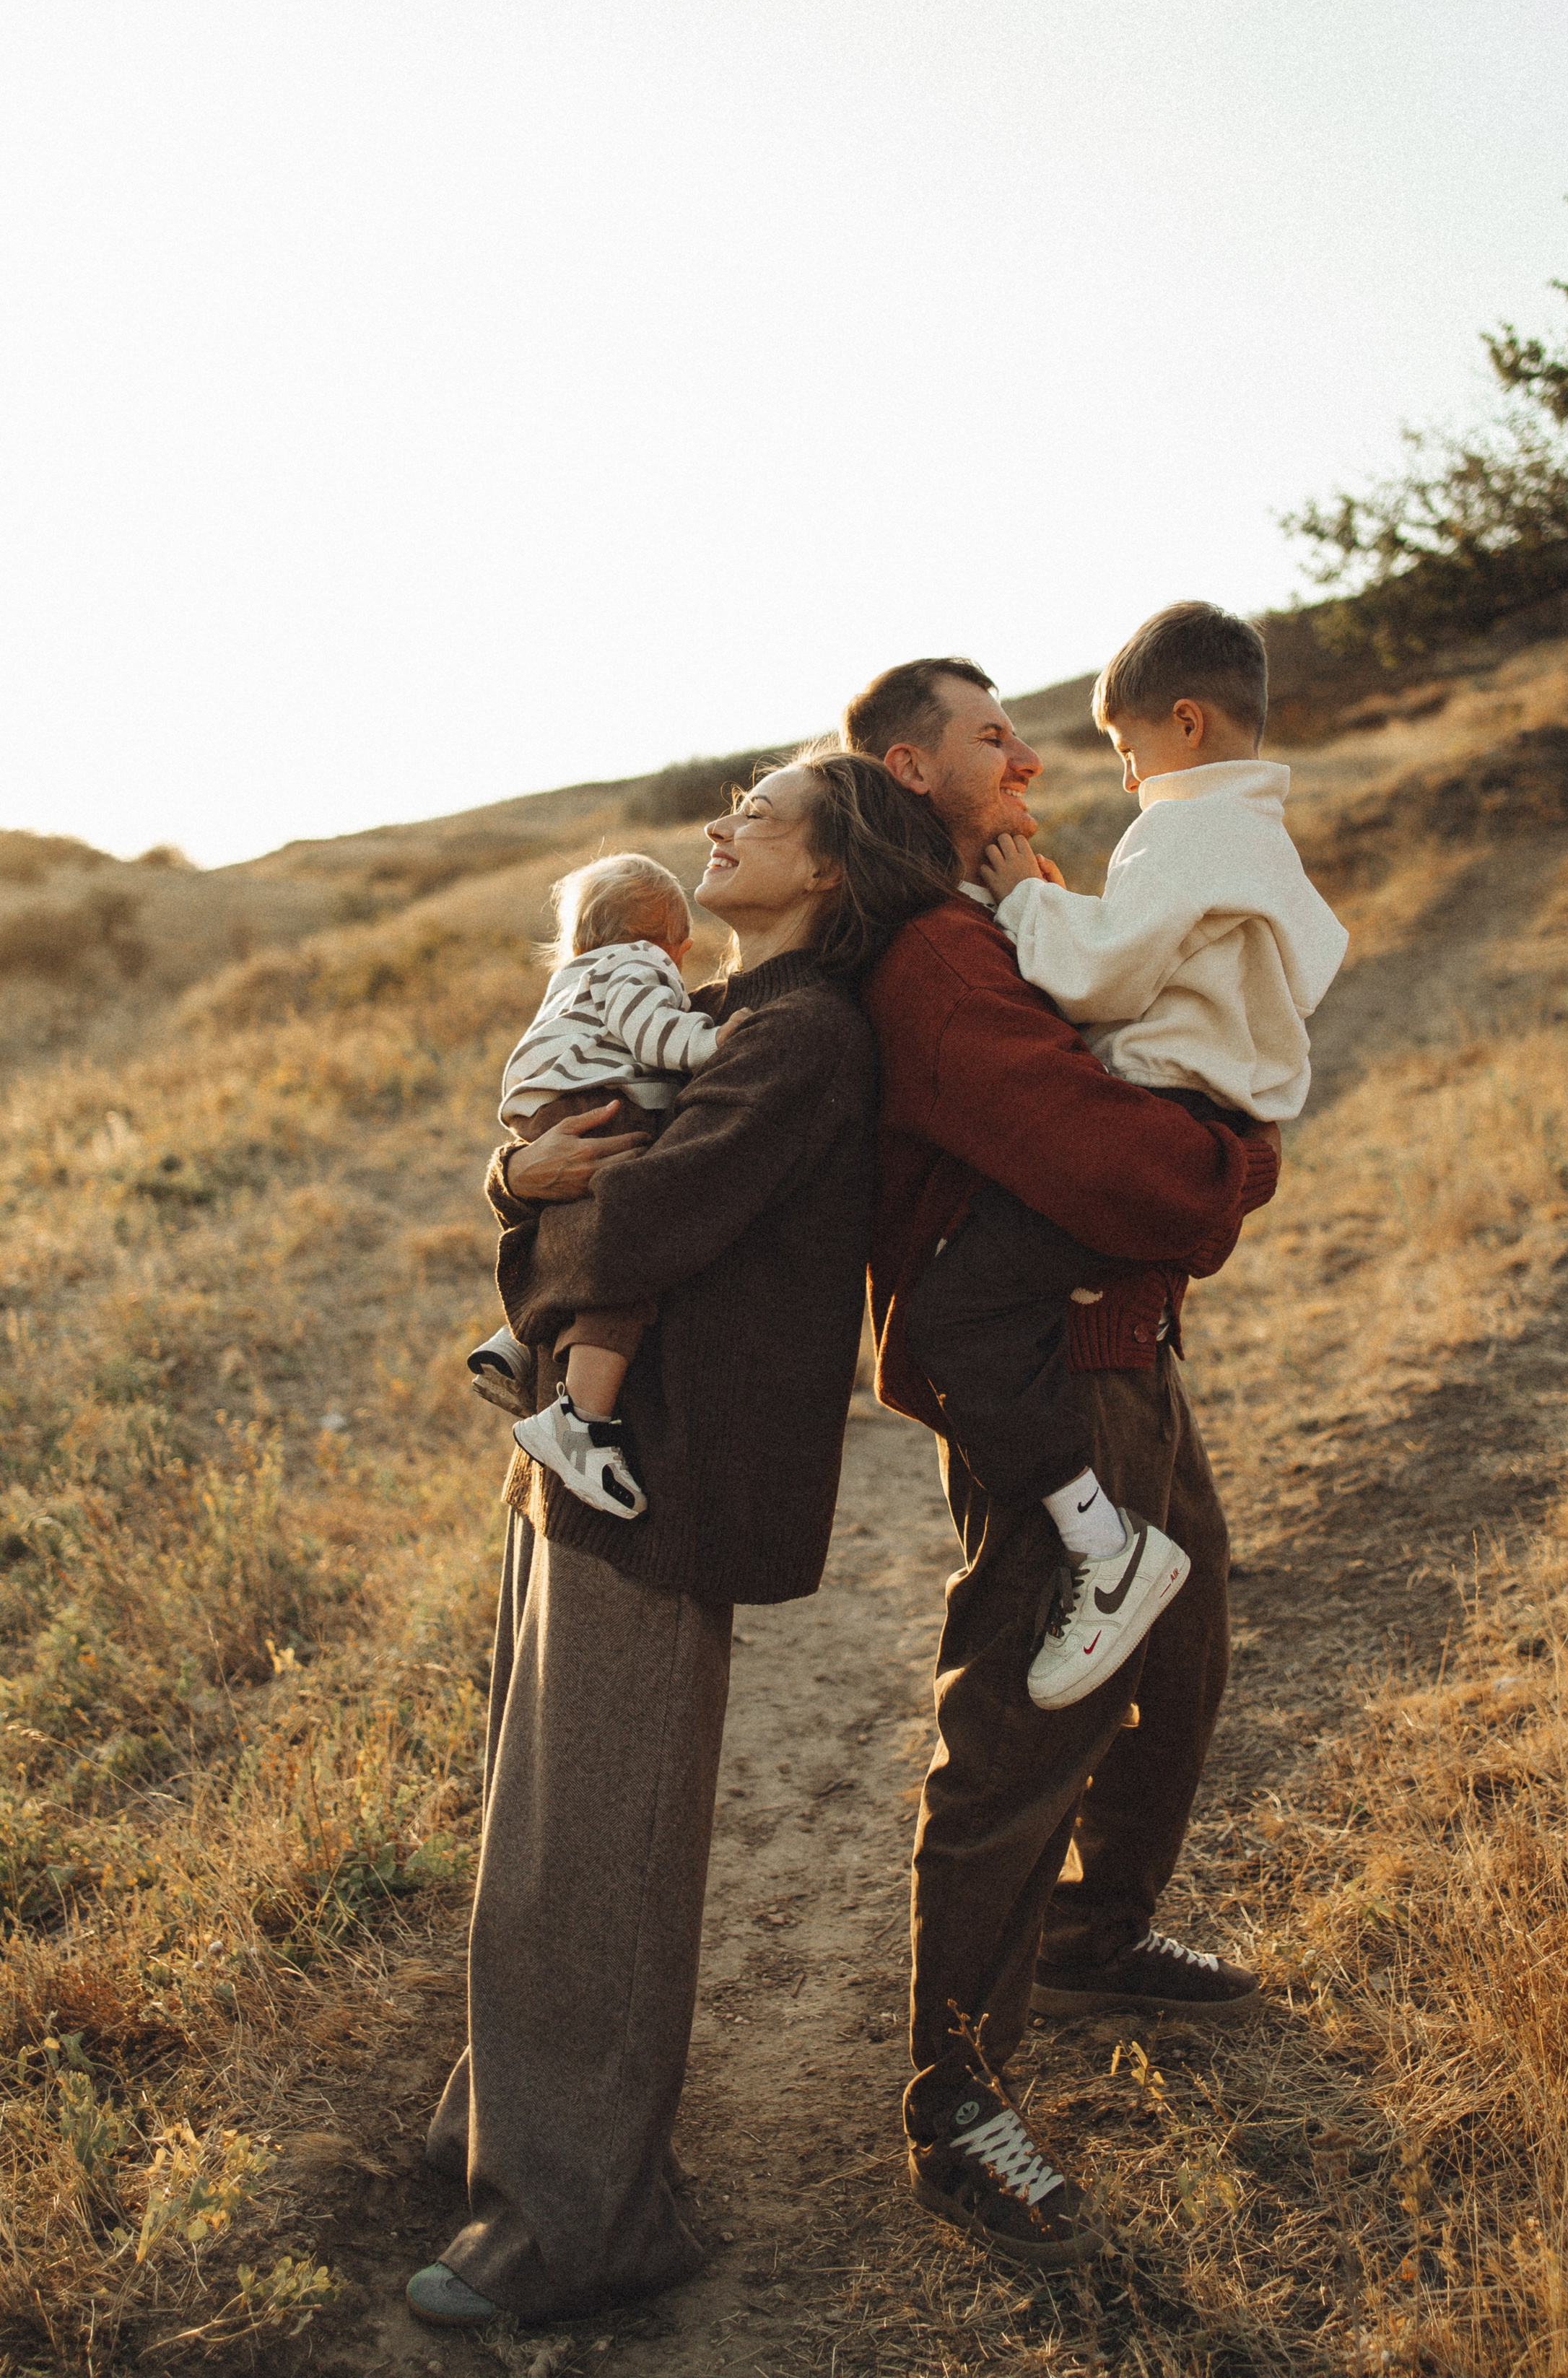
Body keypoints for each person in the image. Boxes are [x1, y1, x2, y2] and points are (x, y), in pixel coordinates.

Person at [408, 753, 961, 2332]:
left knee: (597, 1842)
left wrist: (531, 1189)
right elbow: (570, 1165)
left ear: (830, 872)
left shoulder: (800, 1036)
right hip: (592, 1460)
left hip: (669, 1478)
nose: (717, 830)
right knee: (536, 1823)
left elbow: (641, 1224)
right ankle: (497, 2127)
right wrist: (516, 1169)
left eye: (758, 817)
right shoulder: (718, 1021)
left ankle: (583, 2219)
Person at [844, 656, 1281, 2270]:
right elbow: (1120, 1164)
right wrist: (1236, 1164)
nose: (1024, 750)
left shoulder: (1007, 917)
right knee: (1021, 1730)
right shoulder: (941, 960)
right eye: (986, 733)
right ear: (907, 772)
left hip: (1128, 1353)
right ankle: (956, 2105)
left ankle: (1101, 1937)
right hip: (1043, 1386)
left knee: (1182, 1650)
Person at [905, 601, 1347, 1712]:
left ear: (1185, 724)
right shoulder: (1257, 836)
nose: (1119, 769)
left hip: (1152, 1111)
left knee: (948, 1318)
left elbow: (1103, 977)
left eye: (1125, 745)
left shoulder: (1182, 831)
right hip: (1203, 1112)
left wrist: (1024, 903)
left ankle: (1102, 1549)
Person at [464, 848, 748, 1520]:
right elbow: (650, 1030)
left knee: (578, 1220)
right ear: (670, 946)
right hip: (597, 1095)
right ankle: (579, 1418)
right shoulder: (637, 963)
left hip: (547, 1101)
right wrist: (713, 1044)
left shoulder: (575, 975)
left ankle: (517, 1339)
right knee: (628, 1244)